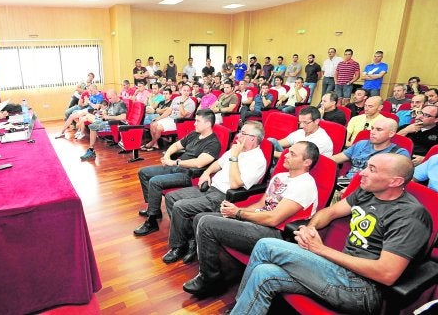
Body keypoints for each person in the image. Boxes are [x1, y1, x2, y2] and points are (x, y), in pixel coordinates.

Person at [231, 153, 432, 315]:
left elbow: (386, 274)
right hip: (339, 271)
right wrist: (311, 228)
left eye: (372, 169)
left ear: (394, 181)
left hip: (362, 289)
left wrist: (320, 250)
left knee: (267, 245)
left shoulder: (410, 216)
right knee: (263, 273)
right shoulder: (367, 192)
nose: (361, 173)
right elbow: (330, 211)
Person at [183, 141, 319, 296]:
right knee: (200, 217)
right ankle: (222, 268)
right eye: (288, 151)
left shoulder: (305, 185)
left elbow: (273, 219)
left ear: (307, 162)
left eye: (292, 154)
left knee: (207, 224)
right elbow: (261, 204)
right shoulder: (281, 176)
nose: (285, 155)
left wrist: (238, 214)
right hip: (258, 221)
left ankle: (210, 280)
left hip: (276, 233)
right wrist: (236, 210)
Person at [161, 122, 267, 264]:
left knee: (180, 207)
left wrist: (234, 156)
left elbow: (236, 184)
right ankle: (190, 239)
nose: (238, 135)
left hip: (223, 197)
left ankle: (178, 246)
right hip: (210, 189)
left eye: (243, 133)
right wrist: (206, 173)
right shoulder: (236, 149)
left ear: (253, 138)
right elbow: (218, 163)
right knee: (171, 197)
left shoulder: (257, 160)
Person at [134, 109, 221, 236]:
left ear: (208, 124)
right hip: (176, 165)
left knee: (155, 182)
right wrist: (168, 156)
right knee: (143, 172)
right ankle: (154, 209)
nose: (194, 123)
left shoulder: (213, 143)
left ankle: (152, 221)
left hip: (189, 174)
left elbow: (199, 163)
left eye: (197, 121)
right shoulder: (195, 134)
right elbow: (176, 145)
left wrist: (175, 162)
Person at [331, 118, 409, 178]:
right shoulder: (361, 144)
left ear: (391, 133)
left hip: (371, 191)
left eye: (379, 130)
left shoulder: (399, 154)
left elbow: (391, 181)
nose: (372, 132)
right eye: (372, 128)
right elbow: (335, 158)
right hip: (346, 182)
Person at [141, 85, 196, 151]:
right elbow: (169, 110)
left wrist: (181, 102)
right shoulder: (176, 99)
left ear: (190, 92)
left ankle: (151, 143)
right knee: (153, 124)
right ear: (181, 91)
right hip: (170, 118)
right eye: (184, 90)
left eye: (188, 91)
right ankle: (155, 144)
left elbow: (183, 115)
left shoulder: (191, 103)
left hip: (178, 121)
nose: (186, 92)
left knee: (158, 128)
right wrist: (159, 118)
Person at [80, 90, 127, 161]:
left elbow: (123, 117)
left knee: (93, 127)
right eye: (108, 98)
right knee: (91, 121)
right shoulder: (112, 103)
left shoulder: (121, 104)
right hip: (106, 120)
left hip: (113, 124)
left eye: (110, 98)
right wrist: (103, 113)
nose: (109, 100)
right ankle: (91, 149)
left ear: (115, 95)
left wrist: (108, 117)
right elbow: (107, 111)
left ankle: (91, 150)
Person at [268, 106, 333, 157]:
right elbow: (283, 142)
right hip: (292, 160)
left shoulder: (322, 140)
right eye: (300, 122)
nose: (301, 126)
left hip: (307, 169)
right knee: (271, 141)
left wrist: (271, 153)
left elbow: (299, 157)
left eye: (305, 122)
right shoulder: (301, 132)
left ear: (317, 121)